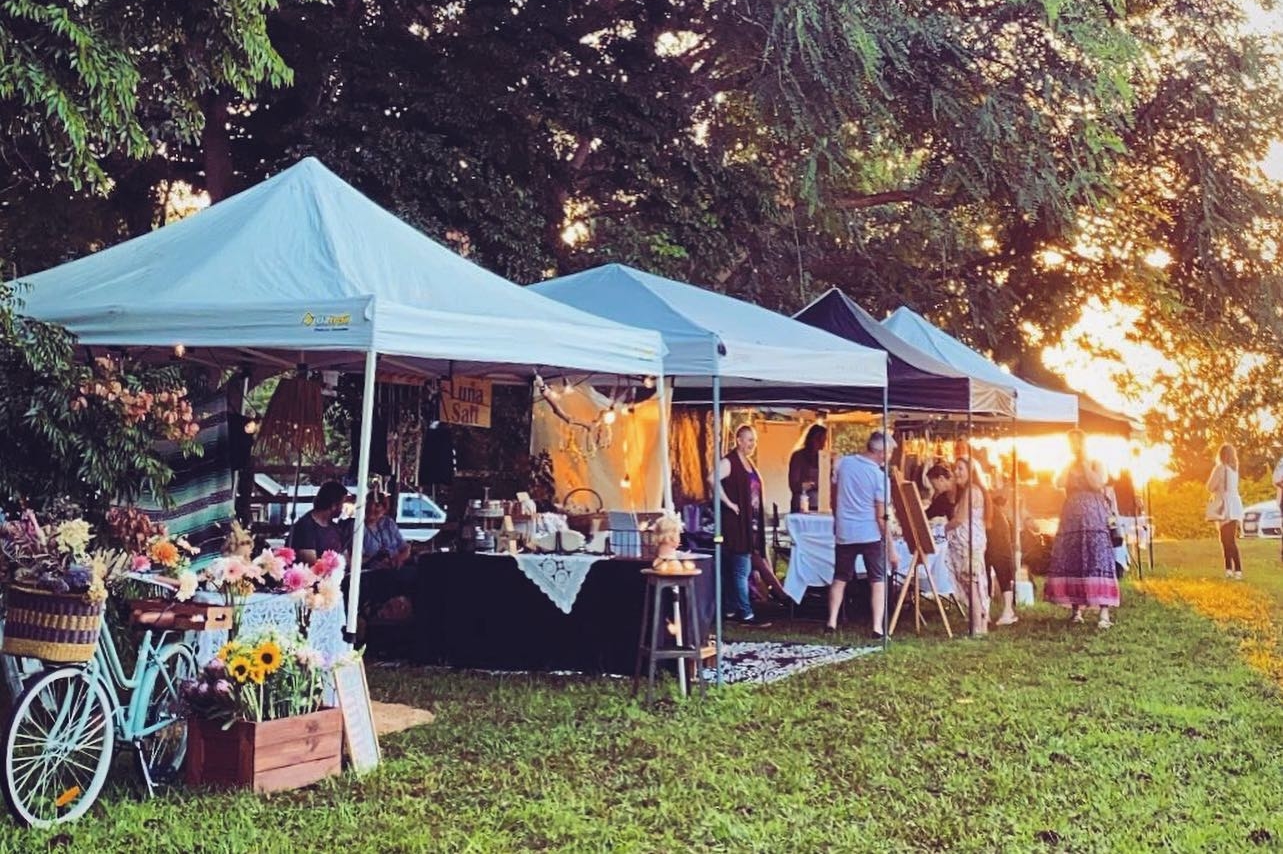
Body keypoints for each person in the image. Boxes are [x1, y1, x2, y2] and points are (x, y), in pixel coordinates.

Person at [1044, 429, 1119, 628]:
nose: (1074, 447)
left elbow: (1097, 483)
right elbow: (1058, 482)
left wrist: (1085, 465)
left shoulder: (1096, 463)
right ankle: (1076, 609)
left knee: (1098, 558)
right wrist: (1069, 466)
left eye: (1077, 443)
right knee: (1074, 558)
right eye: (1071, 443)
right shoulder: (1069, 465)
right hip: (1071, 520)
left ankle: (1104, 612)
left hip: (1094, 519)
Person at [827, 431, 898, 638]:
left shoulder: (844, 464)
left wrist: (836, 517)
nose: (891, 456)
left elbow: (833, 495)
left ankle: (831, 621)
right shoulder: (879, 477)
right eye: (890, 452)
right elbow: (881, 515)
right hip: (869, 533)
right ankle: (877, 626)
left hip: (845, 531)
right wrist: (891, 548)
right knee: (877, 580)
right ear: (881, 452)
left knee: (840, 577)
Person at [716, 424, 771, 627]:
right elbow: (712, 479)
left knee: (735, 569)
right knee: (741, 569)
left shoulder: (747, 462)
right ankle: (746, 613)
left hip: (750, 524)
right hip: (736, 525)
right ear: (738, 440)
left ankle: (731, 610)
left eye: (754, 441)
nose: (752, 444)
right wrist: (729, 503)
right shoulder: (729, 462)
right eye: (749, 440)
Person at [946, 457, 989, 635]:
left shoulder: (971, 490)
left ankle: (977, 627)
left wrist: (942, 528)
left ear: (970, 471)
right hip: (971, 540)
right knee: (973, 581)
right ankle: (980, 625)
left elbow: (959, 519)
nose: (956, 472)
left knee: (972, 581)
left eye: (960, 469)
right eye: (955, 469)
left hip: (969, 542)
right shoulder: (970, 490)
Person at [286, 480, 350, 565]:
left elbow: (347, 560)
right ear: (334, 505)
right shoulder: (305, 527)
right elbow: (312, 565)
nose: (343, 508)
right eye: (342, 503)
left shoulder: (336, 528)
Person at [1207, 444, 1244, 580]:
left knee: (1225, 540)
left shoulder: (1220, 468)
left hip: (1224, 505)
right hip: (1235, 506)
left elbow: (1210, 486)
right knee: (1230, 539)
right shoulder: (1234, 469)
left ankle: (1233, 569)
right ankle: (1233, 570)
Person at [987, 493, 1018, 626]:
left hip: (996, 528)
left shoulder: (976, 488)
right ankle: (984, 611)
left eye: (960, 469)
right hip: (981, 530)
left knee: (1001, 564)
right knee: (983, 569)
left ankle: (1008, 610)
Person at [788, 424, 828, 513]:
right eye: (820, 440)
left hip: (820, 505)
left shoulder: (823, 458)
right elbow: (793, 485)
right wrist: (809, 485)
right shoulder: (798, 456)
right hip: (801, 505)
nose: (823, 444)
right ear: (812, 439)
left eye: (824, 441)